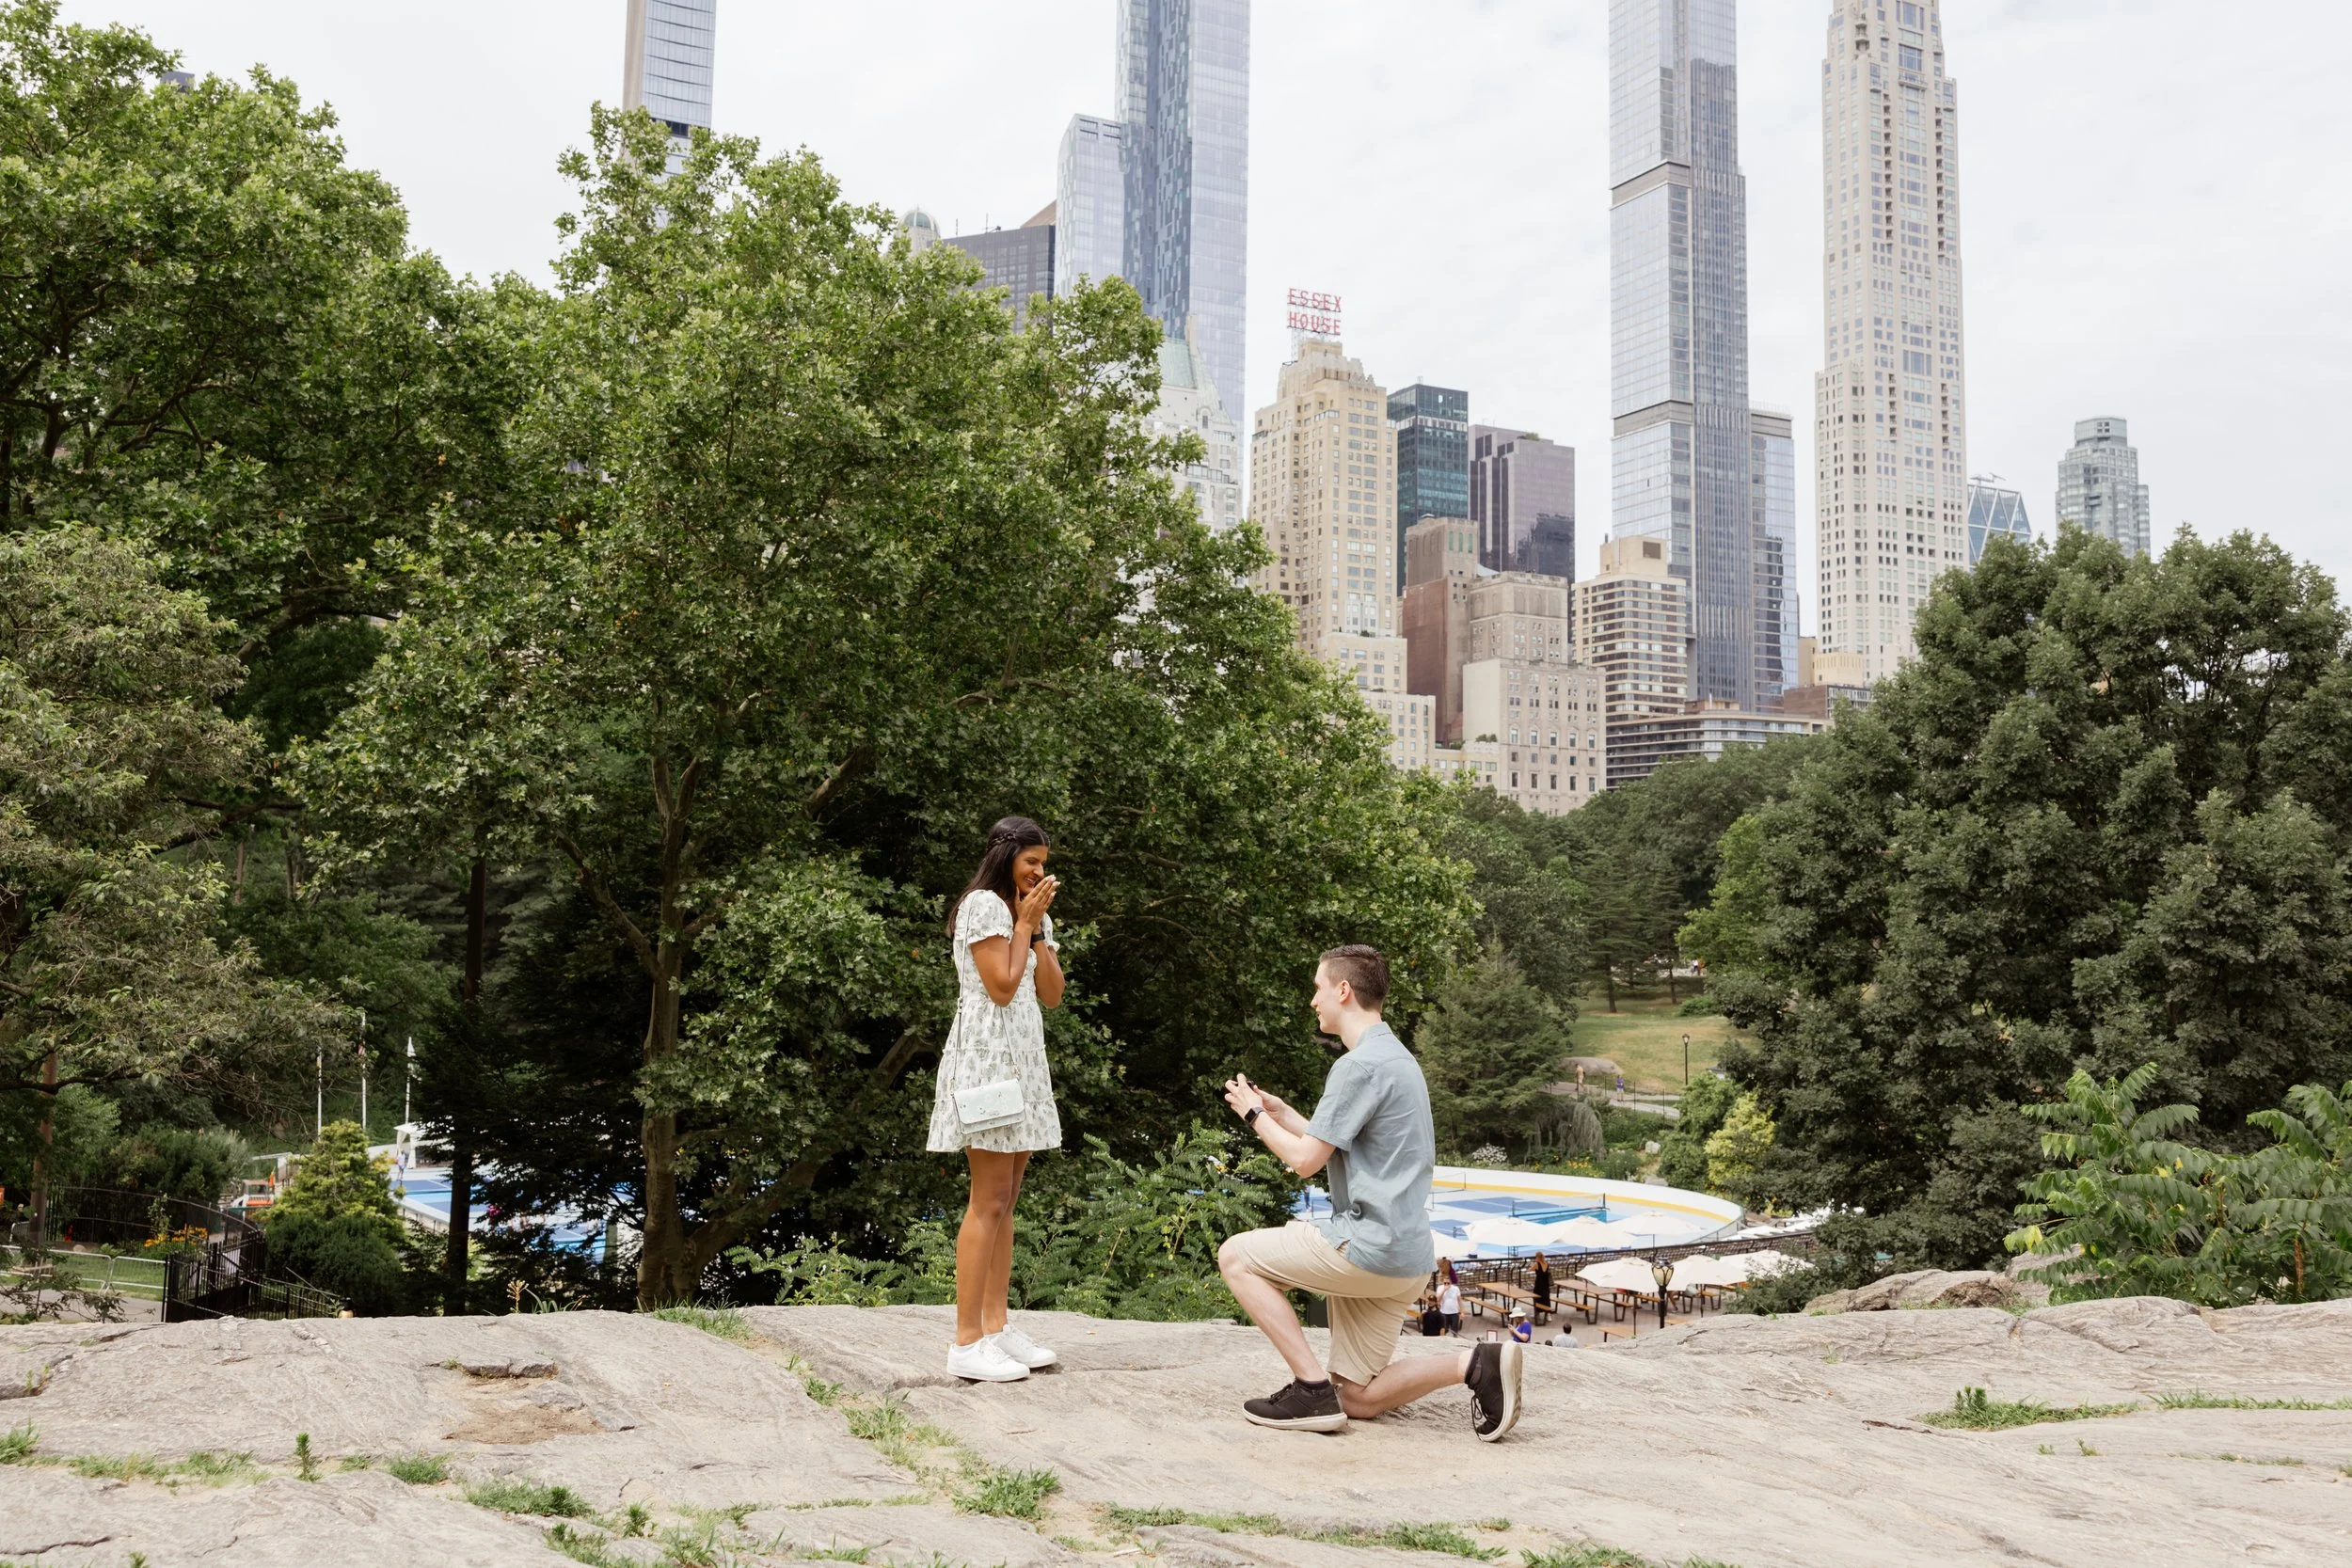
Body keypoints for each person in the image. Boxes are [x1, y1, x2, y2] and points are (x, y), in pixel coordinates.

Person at [1216, 944, 1523, 1441]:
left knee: (1236, 1257)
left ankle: (1310, 1390)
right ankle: (1476, 1363)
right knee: (1357, 1397)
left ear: (1343, 990)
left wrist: (1252, 1115)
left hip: (1367, 1247)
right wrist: (1282, 1113)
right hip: (1406, 1259)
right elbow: (1336, 1144)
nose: (1313, 1001)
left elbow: (1304, 1161)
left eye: (1318, 988)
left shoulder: (1357, 1066)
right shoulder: (1397, 1058)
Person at [926, 816, 1066, 1383]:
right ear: (1006, 855)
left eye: (1043, 863)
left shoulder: (1031, 915)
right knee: (986, 1201)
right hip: (986, 1062)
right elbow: (1002, 988)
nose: (1039, 871)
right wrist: (1022, 924)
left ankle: (996, 1327)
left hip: (1024, 1065)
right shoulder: (983, 906)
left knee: (1006, 1200)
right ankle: (966, 1342)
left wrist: (1036, 930)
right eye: (1031, 861)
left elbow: (1051, 994)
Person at [1437, 1259, 1464, 1337]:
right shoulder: (1440, 1288)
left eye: (1448, 1283)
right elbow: (1438, 1300)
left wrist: (1462, 1312)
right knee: (1443, 1330)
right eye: (1445, 1283)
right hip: (1444, 1313)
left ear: (1451, 1282)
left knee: (1455, 1331)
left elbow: (1460, 1301)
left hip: (1454, 1313)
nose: (1447, 1284)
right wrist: (1444, 1290)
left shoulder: (1456, 1288)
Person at [1531, 1253, 1553, 1320]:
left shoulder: (1537, 1264)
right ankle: (1548, 1314)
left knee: (1537, 1298)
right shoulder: (1546, 1263)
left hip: (1539, 1284)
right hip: (1545, 1283)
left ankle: (1537, 1312)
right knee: (1546, 1298)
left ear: (1538, 1257)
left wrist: (1532, 1265)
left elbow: (1530, 1269)